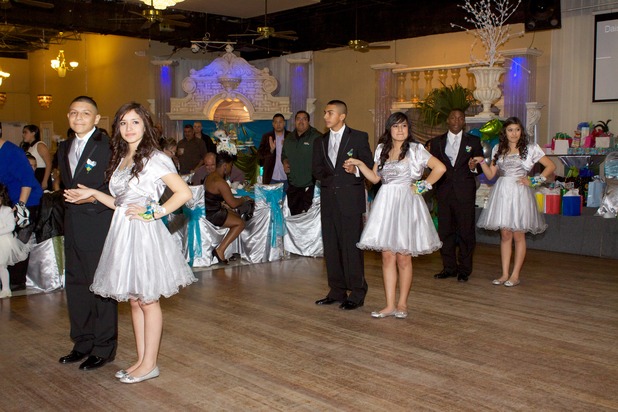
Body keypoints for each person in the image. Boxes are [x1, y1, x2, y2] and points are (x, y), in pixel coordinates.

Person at [64, 102, 196, 384]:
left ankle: (150, 364)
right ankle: (141, 360)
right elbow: (119, 203)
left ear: (145, 125)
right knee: (136, 301)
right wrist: (93, 194)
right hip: (122, 231)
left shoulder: (155, 157)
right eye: (123, 123)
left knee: (148, 300)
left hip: (143, 233)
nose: (128, 128)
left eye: (135, 122)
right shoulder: (123, 156)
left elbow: (183, 193)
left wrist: (154, 213)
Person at [345, 112, 446, 319]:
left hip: (407, 204)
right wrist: (359, 165)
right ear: (389, 129)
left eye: (404, 126)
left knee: (403, 257)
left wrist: (423, 185)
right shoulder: (382, 149)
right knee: (387, 256)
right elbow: (374, 178)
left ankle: (402, 304)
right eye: (396, 126)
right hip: (386, 204)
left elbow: (440, 168)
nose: (400, 130)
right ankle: (389, 304)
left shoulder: (417, 150)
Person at [56, 96, 117, 371]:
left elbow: (118, 190)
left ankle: (104, 348)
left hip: (98, 224)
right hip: (72, 225)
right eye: (73, 113)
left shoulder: (108, 147)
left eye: (85, 113)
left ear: (96, 118)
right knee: (77, 286)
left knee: (101, 288)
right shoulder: (64, 147)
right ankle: (82, 343)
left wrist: (91, 198)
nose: (78, 118)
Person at [473, 117, 556, 287]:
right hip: (502, 192)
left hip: (520, 192)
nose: (514, 133)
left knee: (518, 234)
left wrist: (534, 181)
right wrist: (482, 161)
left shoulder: (531, 148)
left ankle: (515, 274)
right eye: (510, 130)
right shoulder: (498, 148)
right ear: (505, 132)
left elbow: (551, 166)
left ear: (521, 131)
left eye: (517, 130)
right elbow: (490, 175)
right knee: (505, 234)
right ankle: (504, 274)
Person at [312, 100, 373, 310]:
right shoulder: (320, 141)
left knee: (351, 247)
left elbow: (367, 165)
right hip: (329, 200)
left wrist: (354, 171)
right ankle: (336, 290)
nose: (325, 116)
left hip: (350, 201)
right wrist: (333, 178)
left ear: (342, 116)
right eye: (325, 113)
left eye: (330, 113)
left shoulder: (358, 137)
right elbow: (317, 169)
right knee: (331, 246)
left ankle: (357, 291)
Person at [429, 108, 484, 282]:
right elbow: (432, 166)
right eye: (453, 117)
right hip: (444, 192)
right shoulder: (437, 142)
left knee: (466, 232)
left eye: (460, 118)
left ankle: (465, 270)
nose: (456, 120)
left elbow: (480, 166)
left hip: (465, 192)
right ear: (448, 120)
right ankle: (449, 267)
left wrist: (473, 166)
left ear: (464, 122)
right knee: (445, 232)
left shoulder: (473, 141)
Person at [0, 122, 42, 292]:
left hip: (27, 200)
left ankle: (17, 282)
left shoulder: (12, 152)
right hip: (9, 200)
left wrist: (21, 207)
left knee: (19, 243)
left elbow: (27, 181)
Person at [203, 149, 248, 264]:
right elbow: (233, 203)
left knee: (236, 215)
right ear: (224, 166)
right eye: (230, 166)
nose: (231, 168)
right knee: (241, 223)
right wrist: (243, 199)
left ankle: (231, 250)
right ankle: (220, 250)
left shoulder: (210, 176)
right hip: (213, 214)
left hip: (209, 209)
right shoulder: (220, 182)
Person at [282, 110, 322, 215]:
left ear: (308, 121)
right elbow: (284, 155)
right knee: (294, 215)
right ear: (294, 121)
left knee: (308, 218)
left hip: (310, 186)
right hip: (293, 185)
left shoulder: (317, 137)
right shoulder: (289, 138)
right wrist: (285, 162)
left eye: (304, 119)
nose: (301, 121)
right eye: (298, 119)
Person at [0, 183, 30, 299]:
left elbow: (11, 227)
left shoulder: (6, 210)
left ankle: (6, 289)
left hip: (4, 242)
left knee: (1, 266)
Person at [258, 113, 291, 188]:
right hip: (271, 177)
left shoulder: (291, 137)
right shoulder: (267, 137)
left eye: (280, 122)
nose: (278, 124)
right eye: (276, 122)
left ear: (284, 123)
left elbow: (297, 156)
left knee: (288, 199)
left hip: (288, 177)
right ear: (273, 124)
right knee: (271, 199)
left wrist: (288, 147)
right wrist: (271, 150)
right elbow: (260, 156)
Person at [21, 124, 53, 191]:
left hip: (41, 174)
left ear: (33, 133)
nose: (23, 135)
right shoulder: (30, 147)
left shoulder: (40, 145)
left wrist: (45, 181)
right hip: (33, 175)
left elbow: (49, 164)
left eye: (25, 132)